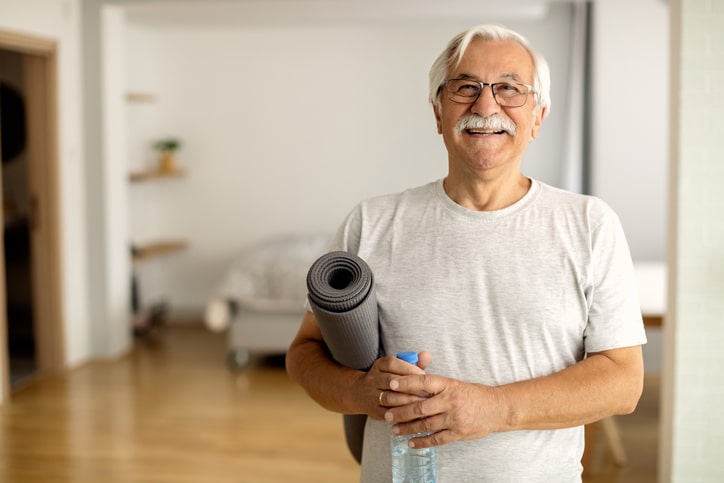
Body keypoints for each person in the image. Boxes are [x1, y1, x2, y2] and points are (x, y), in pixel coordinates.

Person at [286, 24, 646, 482]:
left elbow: (623, 383)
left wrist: (493, 408)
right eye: (465, 87)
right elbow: (304, 354)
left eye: (510, 89)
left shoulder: (590, 225)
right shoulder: (370, 223)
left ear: (538, 116)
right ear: (438, 112)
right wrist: (360, 392)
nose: (486, 104)